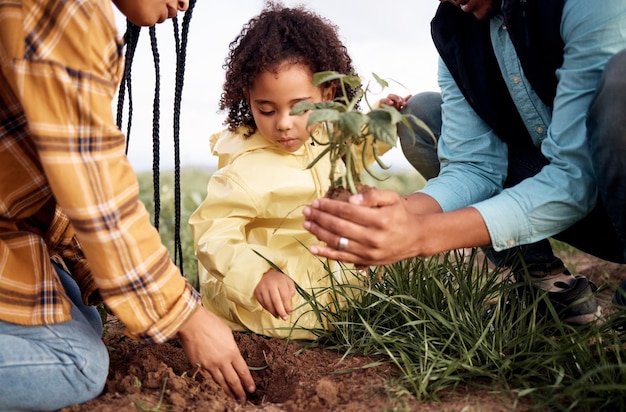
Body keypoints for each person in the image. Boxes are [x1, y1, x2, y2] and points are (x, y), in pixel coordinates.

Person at [302, 0, 626, 325]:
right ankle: (546, 287)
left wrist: (420, 235)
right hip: (581, 209)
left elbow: (574, 177)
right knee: (423, 116)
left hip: (607, 188)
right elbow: (473, 167)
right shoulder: (455, 30)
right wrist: (395, 214)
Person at [0, 0, 255, 410]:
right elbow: (95, 188)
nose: (184, 3)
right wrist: (185, 316)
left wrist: (151, 296)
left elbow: (51, 179)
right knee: (77, 364)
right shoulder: (71, 10)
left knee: (82, 313)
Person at [189, 3, 380, 340]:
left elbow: (353, 153)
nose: (283, 124)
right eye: (266, 109)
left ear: (327, 94)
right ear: (248, 99)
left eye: (300, 107)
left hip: (321, 273)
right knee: (297, 320)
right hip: (270, 300)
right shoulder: (246, 169)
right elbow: (213, 233)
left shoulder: (328, 135)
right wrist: (258, 275)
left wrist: (381, 121)